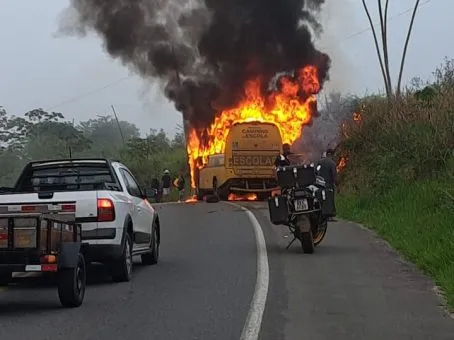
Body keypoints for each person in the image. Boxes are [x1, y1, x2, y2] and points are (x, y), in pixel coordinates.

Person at [316, 148, 339, 220]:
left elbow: (316, 172)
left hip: (319, 184)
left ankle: (321, 215)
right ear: (332, 154)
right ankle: (329, 216)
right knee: (329, 199)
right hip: (328, 184)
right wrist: (337, 186)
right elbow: (334, 176)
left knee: (320, 199)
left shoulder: (319, 162)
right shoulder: (332, 163)